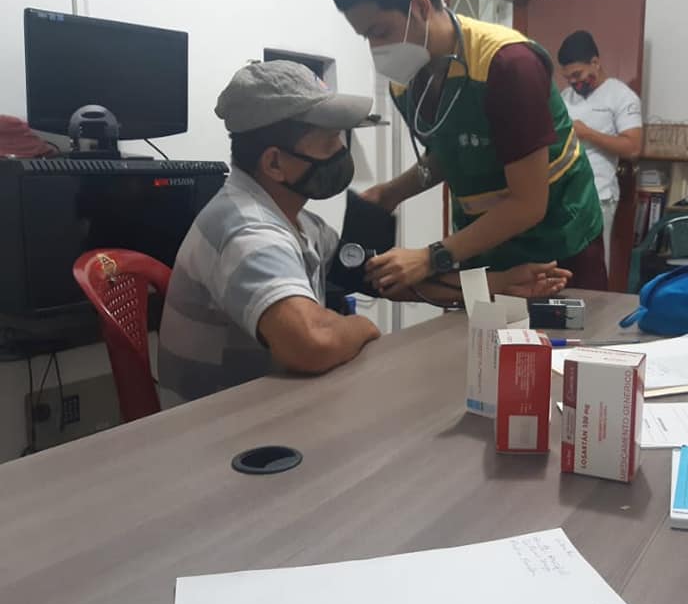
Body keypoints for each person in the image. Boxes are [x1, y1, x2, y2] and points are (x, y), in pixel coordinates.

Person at [157, 61, 571, 407]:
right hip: (216, 438)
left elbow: (380, 278)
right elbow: (312, 341)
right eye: (328, 143)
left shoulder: (299, 223)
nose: (342, 152)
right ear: (275, 163)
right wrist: (363, 327)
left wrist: (498, 284)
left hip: (269, 411)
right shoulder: (245, 229)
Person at [333, 0, 607, 293]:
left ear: (420, 5)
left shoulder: (509, 65)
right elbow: (450, 154)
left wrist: (430, 257)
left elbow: (529, 203)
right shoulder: (406, 84)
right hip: (482, 241)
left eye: (380, 31)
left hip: (558, 242)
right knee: (482, 326)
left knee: (568, 328)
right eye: (365, 37)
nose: (376, 49)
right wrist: (390, 193)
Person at [557, 30, 644, 271]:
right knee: (562, 267)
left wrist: (588, 134)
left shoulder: (621, 96)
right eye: (568, 77)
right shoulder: (565, 97)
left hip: (598, 195)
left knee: (593, 267)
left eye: (577, 74)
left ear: (595, 62)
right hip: (563, 197)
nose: (573, 82)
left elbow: (633, 147)